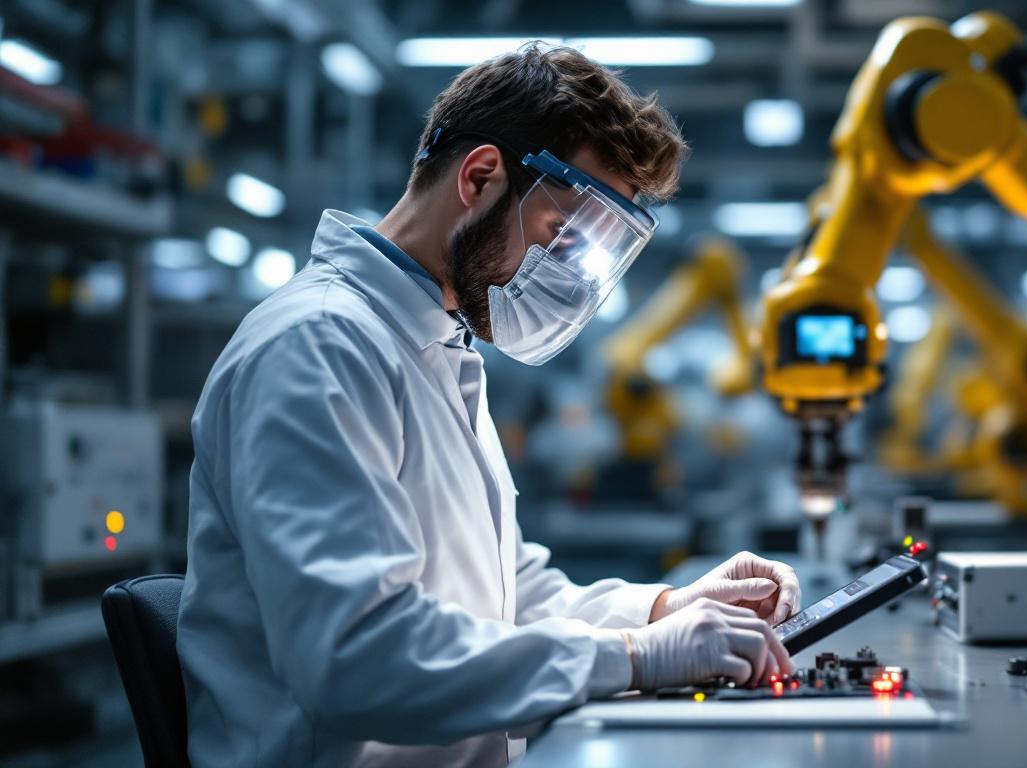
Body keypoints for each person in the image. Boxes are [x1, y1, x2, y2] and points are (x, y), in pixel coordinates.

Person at [176, 43, 800, 767]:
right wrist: (633, 657)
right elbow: (354, 656)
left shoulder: (435, 346)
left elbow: (505, 601)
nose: (567, 285)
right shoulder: (320, 349)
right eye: (559, 238)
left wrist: (665, 611)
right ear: (479, 177)